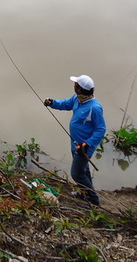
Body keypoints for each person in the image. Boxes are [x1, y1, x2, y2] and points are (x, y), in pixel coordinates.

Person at [44, 74, 106, 206]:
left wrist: (87, 144)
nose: (74, 85)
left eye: (75, 84)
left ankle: (94, 200)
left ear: (79, 88)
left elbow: (101, 129)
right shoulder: (77, 99)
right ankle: (84, 193)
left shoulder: (94, 108)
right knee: (84, 170)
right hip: (75, 143)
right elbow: (66, 104)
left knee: (76, 174)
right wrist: (52, 103)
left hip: (84, 147)